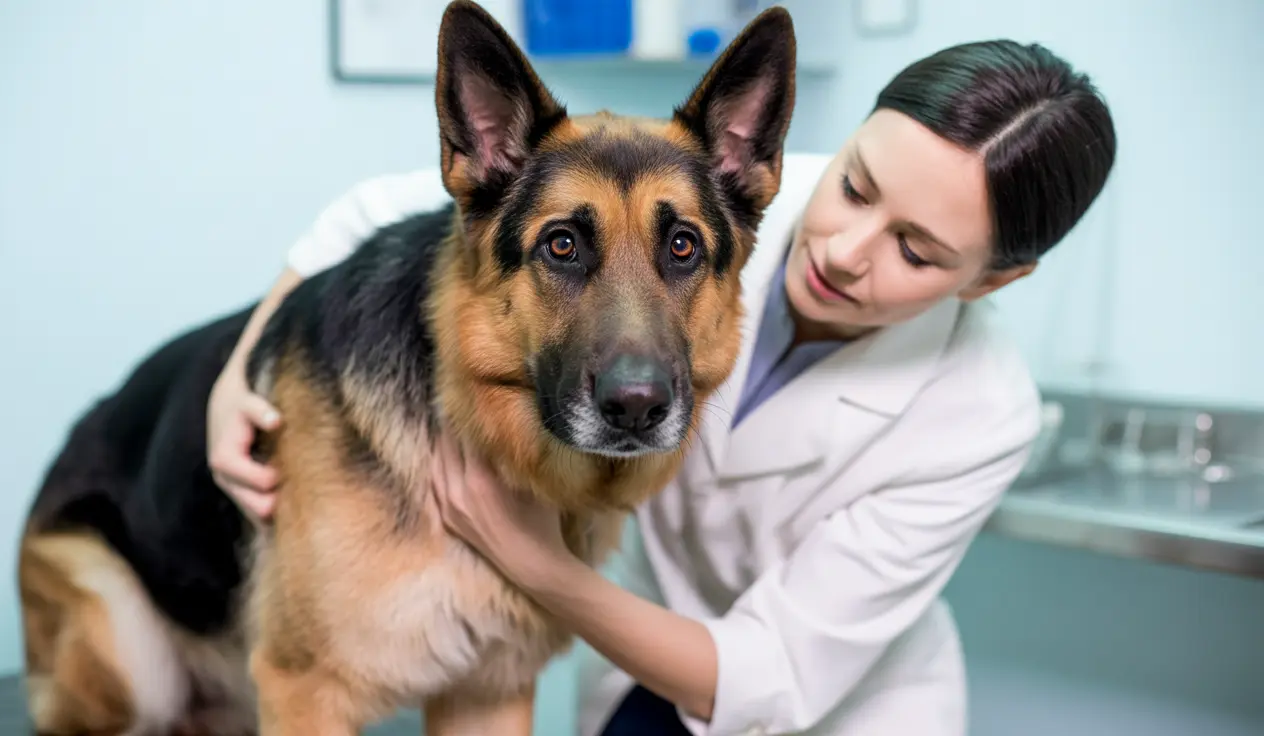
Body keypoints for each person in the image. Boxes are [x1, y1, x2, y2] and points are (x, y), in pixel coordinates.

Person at [206, 38, 1116, 736]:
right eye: (855, 184)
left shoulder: (982, 414)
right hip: (646, 658)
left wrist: (528, 558)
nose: (841, 248)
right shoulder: (718, 183)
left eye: (915, 249)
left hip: (817, 700)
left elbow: (773, 670)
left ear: (989, 280)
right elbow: (376, 212)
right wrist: (238, 373)